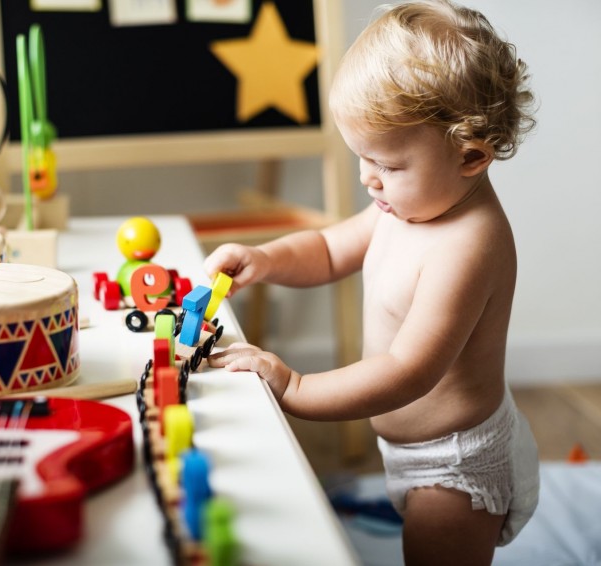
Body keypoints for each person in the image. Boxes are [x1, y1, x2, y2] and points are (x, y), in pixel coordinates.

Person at [204, 1, 539, 564]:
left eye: (387, 163)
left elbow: (410, 370)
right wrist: (265, 259)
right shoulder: (403, 207)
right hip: (404, 448)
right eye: (361, 157)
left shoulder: (469, 245)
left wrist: (296, 389)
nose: (367, 178)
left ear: (471, 155)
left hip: (453, 464)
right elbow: (330, 248)